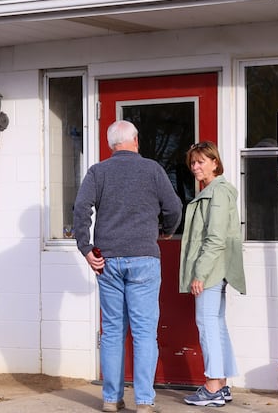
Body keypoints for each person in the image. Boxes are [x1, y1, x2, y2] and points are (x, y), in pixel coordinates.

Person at [73, 120, 182, 413]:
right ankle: (144, 402)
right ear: (135, 140)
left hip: (107, 259)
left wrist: (85, 248)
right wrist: (166, 231)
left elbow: (80, 208)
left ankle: (111, 399)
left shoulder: (98, 171)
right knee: (145, 332)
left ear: (111, 145)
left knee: (111, 331)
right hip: (144, 259)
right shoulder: (153, 170)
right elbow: (174, 208)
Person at [179, 141, 247, 407]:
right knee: (216, 324)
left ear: (215, 163)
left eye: (201, 162)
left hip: (211, 270)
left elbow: (216, 238)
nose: (195, 167)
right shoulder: (215, 191)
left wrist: (200, 273)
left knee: (207, 324)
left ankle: (212, 386)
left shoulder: (218, 193)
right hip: (216, 269)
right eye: (193, 163)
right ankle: (222, 385)